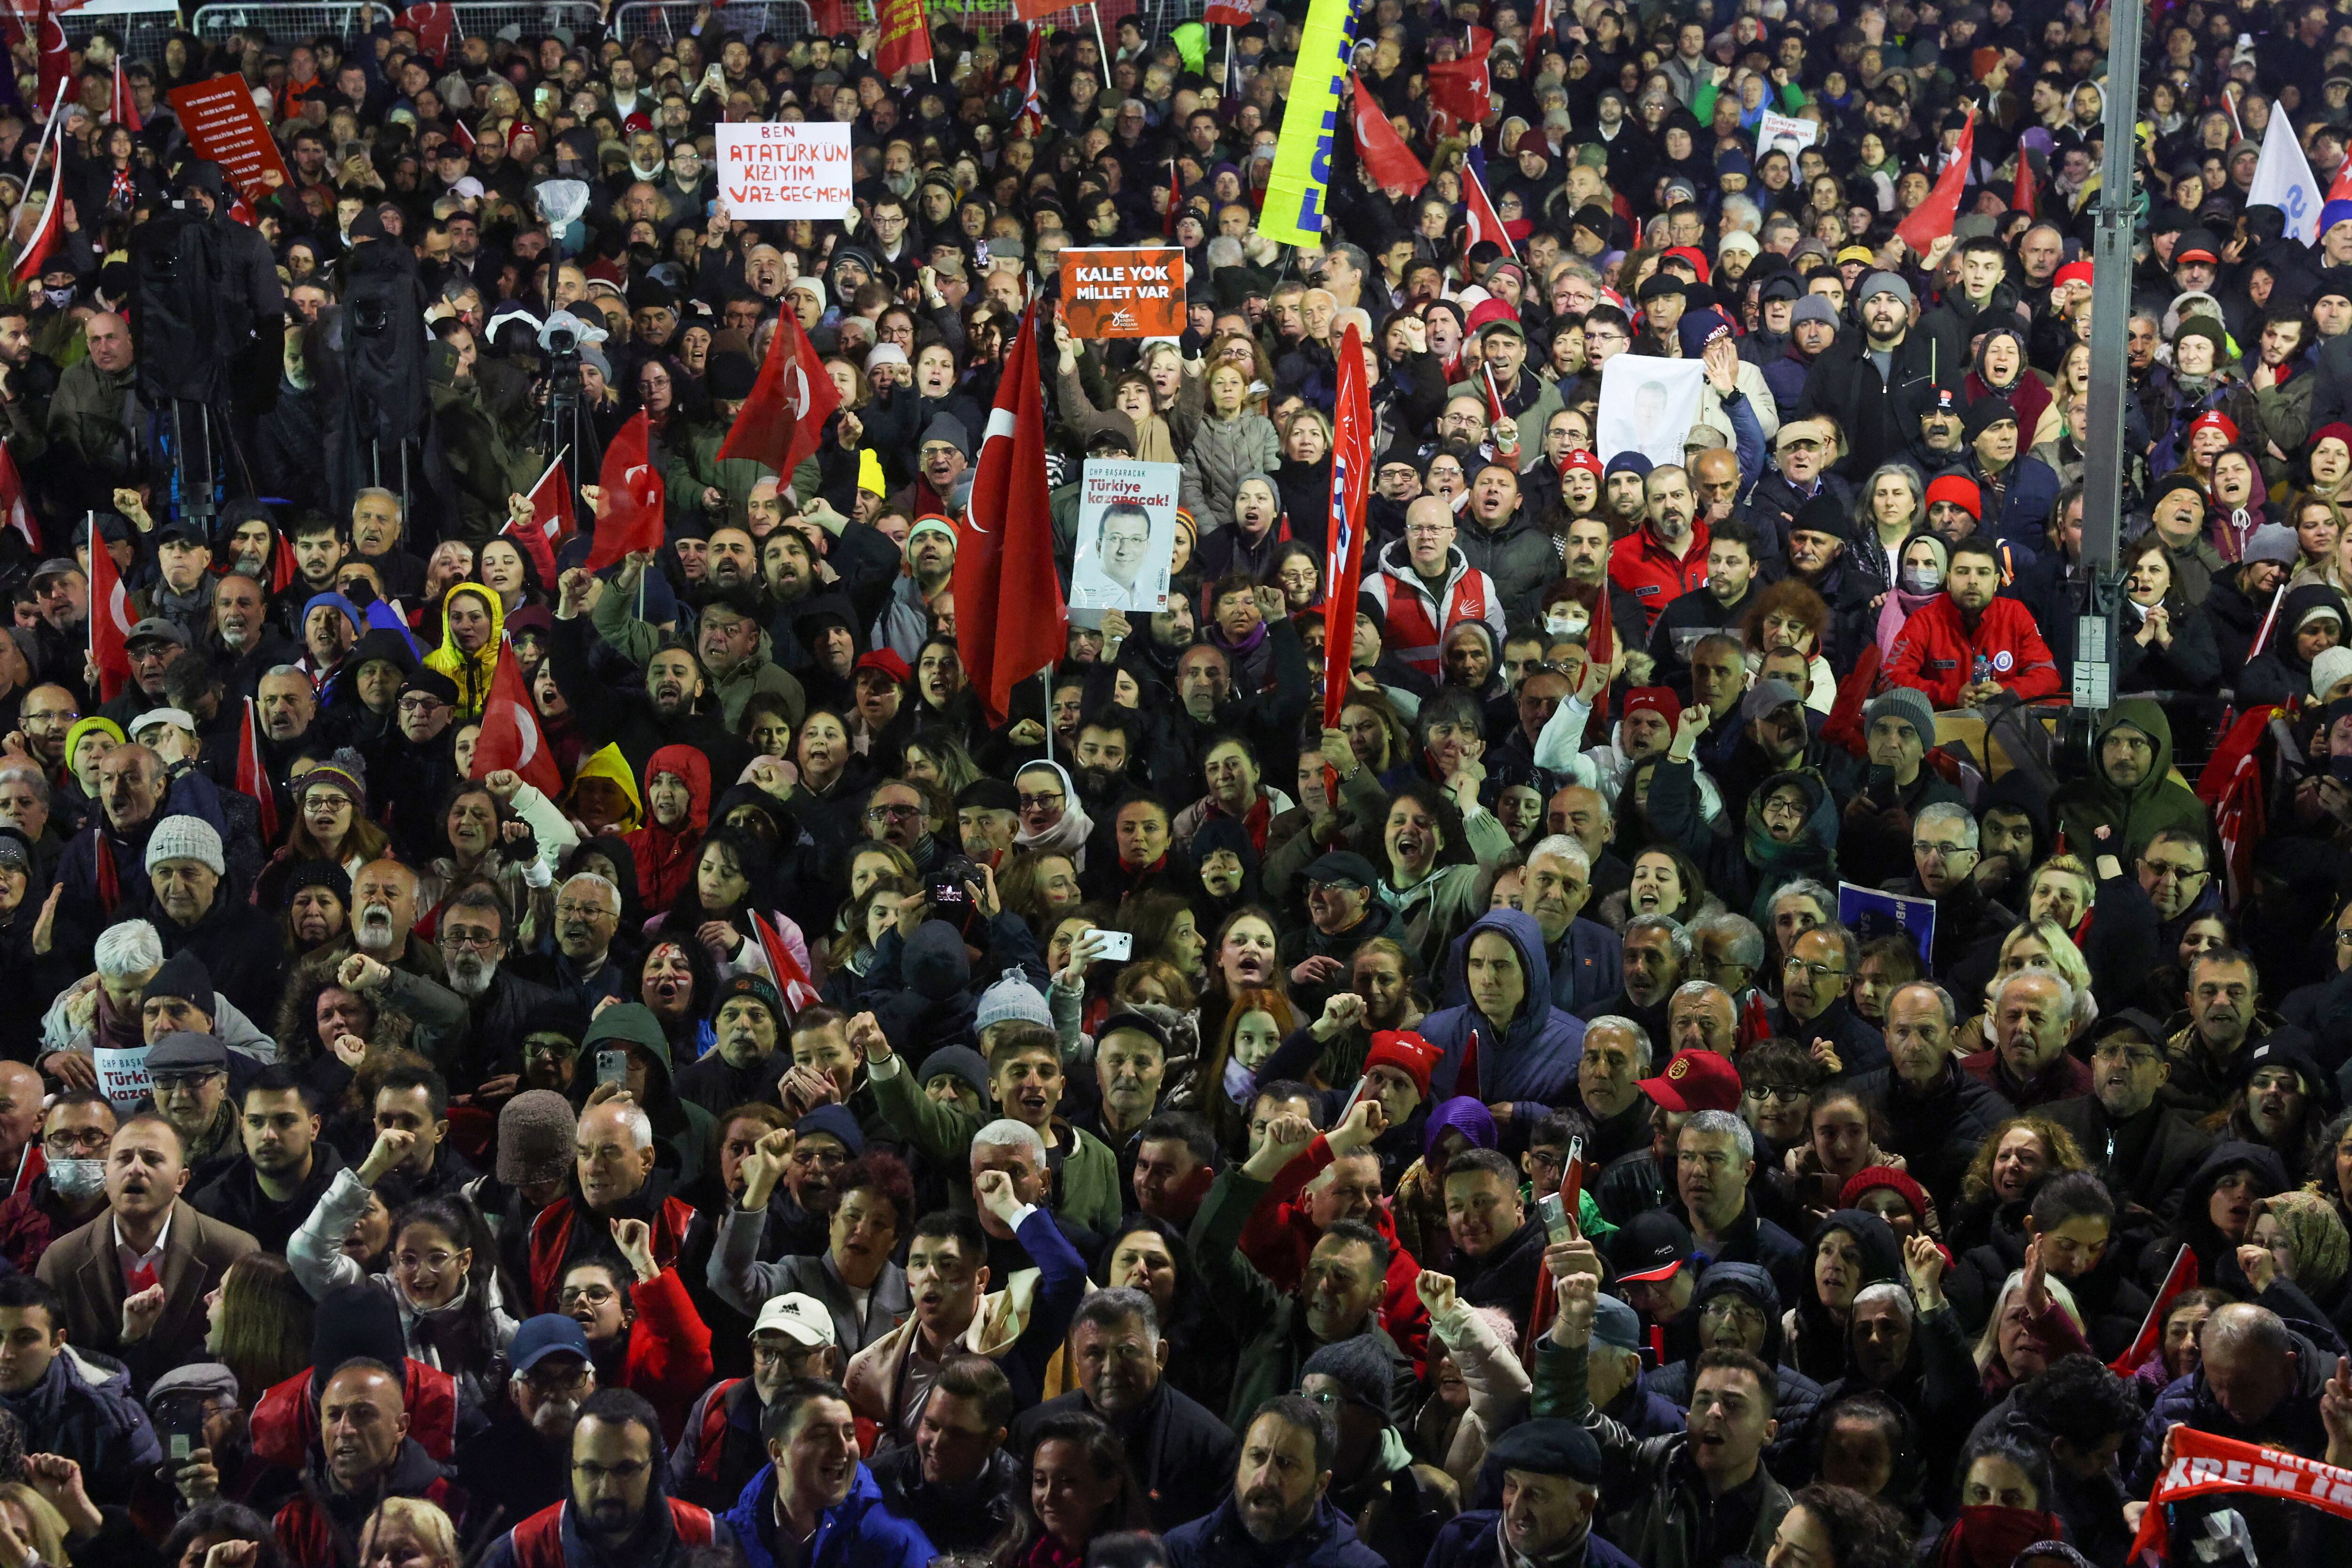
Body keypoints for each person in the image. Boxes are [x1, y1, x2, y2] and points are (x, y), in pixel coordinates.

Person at [481, 1387, 734, 1568]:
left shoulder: (708, 1538)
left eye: (625, 1470)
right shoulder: (520, 1553)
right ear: (571, 1468)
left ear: (654, 1468)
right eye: (591, 1469)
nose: (607, 1488)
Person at [719, 1376, 934, 1568]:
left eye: (849, 1434)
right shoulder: (731, 1536)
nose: (843, 1449)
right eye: (821, 1435)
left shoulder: (893, 1543)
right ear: (777, 1452)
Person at [1163, 1394, 1388, 1568]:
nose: (1265, 1478)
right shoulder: (1182, 1551)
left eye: (1287, 1464)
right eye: (1257, 1457)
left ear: (1320, 1485)